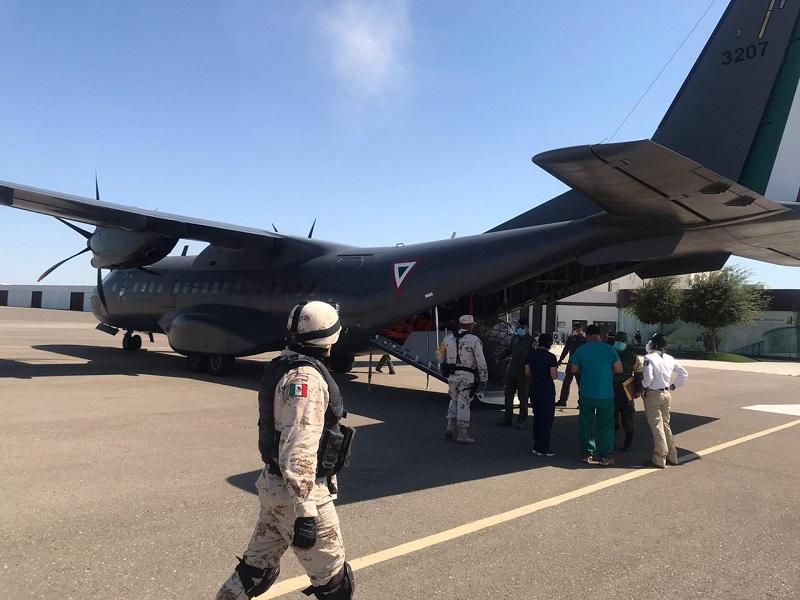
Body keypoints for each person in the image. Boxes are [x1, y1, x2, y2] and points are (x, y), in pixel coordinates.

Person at [216, 301, 355, 600]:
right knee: (336, 586)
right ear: (330, 336)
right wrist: (305, 511)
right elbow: (299, 444)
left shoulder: (285, 367)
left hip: (276, 489)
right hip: (301, 496)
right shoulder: (307, 380)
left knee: (257, 570)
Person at [570, 324, 622, 466]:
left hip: (586, 393)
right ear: (600, 335)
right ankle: (605, 456)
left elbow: (573, 369)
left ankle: (586, 454)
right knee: (605, 425)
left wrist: (585, 368)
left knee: (585, 423)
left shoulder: (582, 349)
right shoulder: (609, 349)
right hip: (606, 394)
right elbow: (619, 369)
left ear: (587, 335)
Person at [437, 314, 488, 443]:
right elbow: (481, 361)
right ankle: (462, 434)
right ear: (470, 326)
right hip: (467, 376)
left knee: (453, 399)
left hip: (452, 376)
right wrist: (484, 378)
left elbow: (439, 356)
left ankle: (449, 427)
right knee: (464, 403)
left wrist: (446, 362)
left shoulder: (448, 339)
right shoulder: (474, 340)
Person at [641, 333, 688, 469]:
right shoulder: (669, 358)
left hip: (653, 394)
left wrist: (643, 386)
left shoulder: (649, 358)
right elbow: (684, 373)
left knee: (657, 425)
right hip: (667, 393)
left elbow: (648, 378)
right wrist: (674, 385)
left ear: (652, 344)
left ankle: (659, 456)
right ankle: (672, 455)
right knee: (666, 424)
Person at [498, 317, 535, 428]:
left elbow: (533, 358)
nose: (519, 329)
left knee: (523, 398)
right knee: (508, 395)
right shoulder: (515, 338)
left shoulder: (532, 342)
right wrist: (499, 357)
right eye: (518, 327)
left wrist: (530, 374)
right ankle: (507, 419)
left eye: (521, 327)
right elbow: (508, 350)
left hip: (524, 372)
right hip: (512, 371)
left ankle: (521, 421)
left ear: (527, 327)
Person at [526, 333, 559, 456]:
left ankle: (536, 446)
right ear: (550, 343)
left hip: (534, 388)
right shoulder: (551, 357)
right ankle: (544, 447)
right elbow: (553, 375)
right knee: (547, 419)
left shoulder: (530, 355)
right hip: (547, 389)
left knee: (537, 417)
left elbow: (527, 372)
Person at [612, 332, 642, 452]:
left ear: (625, 343)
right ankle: (611, 441)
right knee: (611, 420)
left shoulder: (633, 356)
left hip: (626, 391)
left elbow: (639, 373)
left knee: (628, 420)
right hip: (612, 390)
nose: (619, 344)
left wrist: (638, 389)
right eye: (617, 341)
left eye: (621, 342)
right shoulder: (610, 352)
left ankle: (628, 442)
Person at [556, 323, 587, 407]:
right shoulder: (571, 338)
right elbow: (566, 350)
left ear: (581, 329)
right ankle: (562, 401)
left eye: (578, 329)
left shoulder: (585, 340)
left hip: (580, 366)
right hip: (570, 364)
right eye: (575, 328)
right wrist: (560, 359)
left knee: (581, 385)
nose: (576, 330)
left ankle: (581, 403)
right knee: (566, 383)